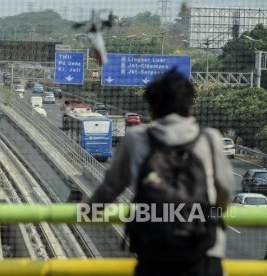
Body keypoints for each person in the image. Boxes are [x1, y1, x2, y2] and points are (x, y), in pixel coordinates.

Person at [83, 68, 234, 276]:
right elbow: (225, 191)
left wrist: (87, 208)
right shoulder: (209, 139)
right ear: (190, 106)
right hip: (203, 252)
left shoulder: (136, 138)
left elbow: (110, 189)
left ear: (152, 109)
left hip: (154, 252)